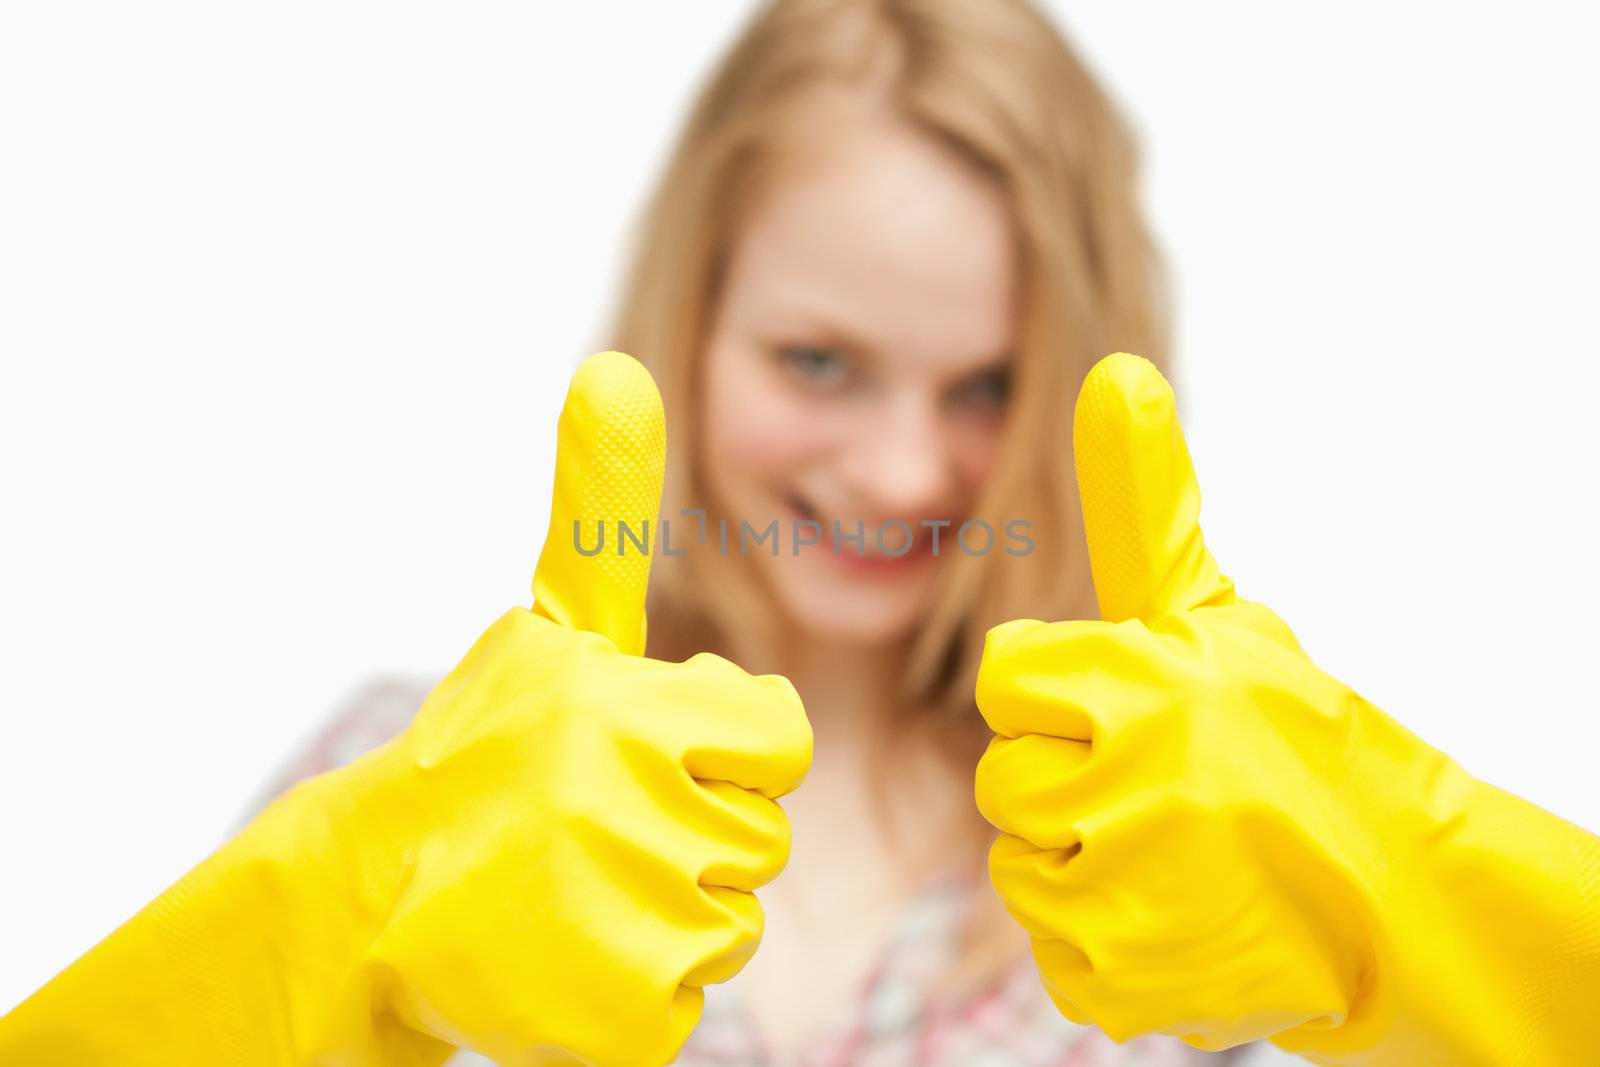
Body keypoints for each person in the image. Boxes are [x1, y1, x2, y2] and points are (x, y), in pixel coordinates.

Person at [3, 3, 1596, 1066]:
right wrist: (344, 918)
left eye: (985, 384)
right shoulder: (405, 781)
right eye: (817, 361)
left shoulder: (1180, 848)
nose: (903, 472)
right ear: (690, 321)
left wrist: (1406, 881)